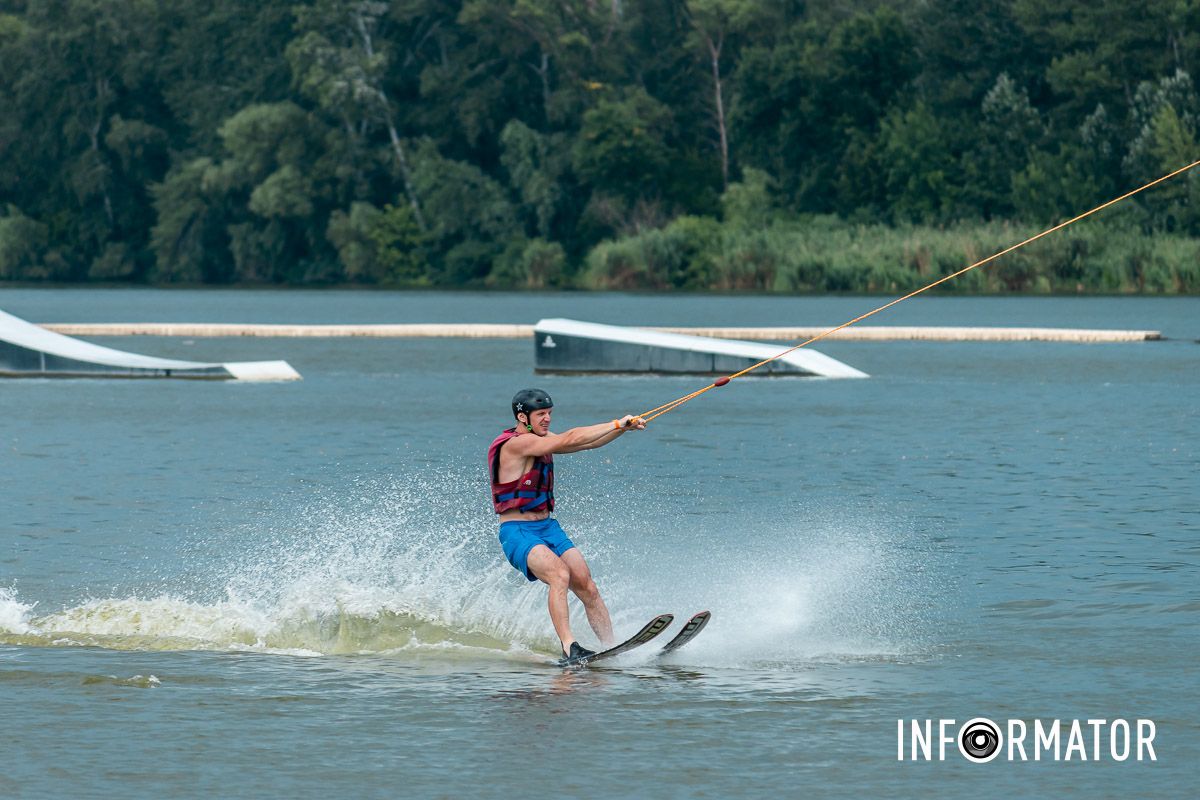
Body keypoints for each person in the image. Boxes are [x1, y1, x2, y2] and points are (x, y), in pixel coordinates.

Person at [487, 388, 645, 662]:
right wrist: (617, 422)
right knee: (559, 575)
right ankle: (569, 647)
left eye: (549, 413)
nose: (547, 419)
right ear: (523, 417)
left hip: (548, 527)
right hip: (518, 531)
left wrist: (623, 429)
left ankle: (613, 647)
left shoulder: (544, 439)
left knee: (586, 585)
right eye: (541, 414)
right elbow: (571, 437)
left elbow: (587, 443)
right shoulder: (515, 444)